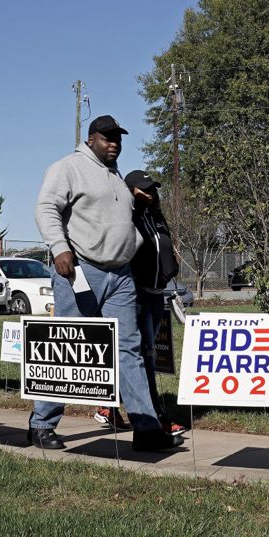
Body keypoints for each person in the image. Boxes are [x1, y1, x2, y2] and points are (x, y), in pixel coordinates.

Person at [30, 115, 182, 452]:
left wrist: (134, 198)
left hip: (121, 276)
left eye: (118, 139)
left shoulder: (115, 178)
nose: (114, 144)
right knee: (66, 349)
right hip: (80, 271)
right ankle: (41, 424)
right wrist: (59, 248)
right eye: (107, 138)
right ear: (91, 138)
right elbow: (45, 208)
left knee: (129, 350)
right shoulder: (68, 167)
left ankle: (145, 427)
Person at [116, 169, 188, 436]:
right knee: (143, 354)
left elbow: (164, 248)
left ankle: (111, 407)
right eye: (144, 189)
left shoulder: (155, 217)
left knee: (148, 355)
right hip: (136, 296)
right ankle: (154, 417)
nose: (150, 193)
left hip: (158, 294)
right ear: (130, 191)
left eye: (153, 189)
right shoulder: (128, 217)